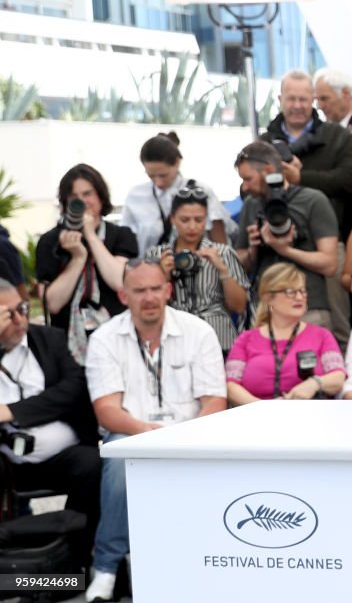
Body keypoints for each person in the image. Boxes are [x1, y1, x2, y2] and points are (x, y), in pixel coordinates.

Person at [84, 259, 226, 601]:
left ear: (168, 290)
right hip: (132, 435)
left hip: (192, 435)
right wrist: (148, 433)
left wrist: (182, 439)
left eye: (155, 289)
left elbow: (215, 401)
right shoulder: (104, 338)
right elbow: (106, 411)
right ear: (123, 294)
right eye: (139, 290)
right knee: (120, 462)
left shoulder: (199, 331)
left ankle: (208, 565)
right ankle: (105, 567)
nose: (149, 297)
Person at [0, 279, 100, 572]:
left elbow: (73, 389)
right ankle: (10, 564)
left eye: (21, 308)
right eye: (8, 315)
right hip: (7, 463)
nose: (20, 320)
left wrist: (11, 411)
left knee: (92, 464)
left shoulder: (50, 339)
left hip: (60, 459)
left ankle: (76, 557)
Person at [261, 69, 352, 348]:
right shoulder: (265, 141)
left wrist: (301, 179)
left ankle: (339, 378)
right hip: (273, 243)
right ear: (280, 99)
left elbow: (350, 179)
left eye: (304, 99)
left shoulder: (336, 135)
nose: (297, 105)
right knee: (274, 316)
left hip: (328, 239)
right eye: (291, 98)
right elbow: (248, 186)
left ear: (313, 100)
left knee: (337, 320)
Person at [35, 164, 137, 365]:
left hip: (116, 336)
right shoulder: (51, 241)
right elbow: (52, 303)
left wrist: (90, 235)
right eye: (74, 196)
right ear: (65, 202)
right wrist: (78, 258)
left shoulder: (120, 236)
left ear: (100, 196)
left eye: (87, 193)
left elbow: (119, 281)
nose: (82, 201)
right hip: (66, 340)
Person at [234, 141, 339, 330]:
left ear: (267, 170)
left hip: (308, 309)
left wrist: (285, 250)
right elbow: (238, 262)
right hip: (264, 310)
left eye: (248, 179)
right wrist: (253, 248)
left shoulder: (313, 200)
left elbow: (330, 264)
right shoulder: (251, 205)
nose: (245, 187)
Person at [144, 181, 249, 354]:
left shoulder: (222, 252)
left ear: (206, 219)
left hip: (218, 340)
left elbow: (239, 306)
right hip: (171, 341)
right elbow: (147, 303)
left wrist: (222, 270)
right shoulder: (156, 255)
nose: (192, 226)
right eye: (184, 220)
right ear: (173, 219)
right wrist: (162, 275)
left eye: (199, 220)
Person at [225, 262, 346, 404]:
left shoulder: (321, 335)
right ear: (268, 298)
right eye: (291, 292)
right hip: (258, 418)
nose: (300, 297)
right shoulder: (246, 339)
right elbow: (231, 385)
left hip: (309, 415)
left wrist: (313, 383)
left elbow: (338, 377)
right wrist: (263, 408)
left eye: (302, 291)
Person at [119, 132, 235, 254]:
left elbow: (220, 242)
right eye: (151, 176)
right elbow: (125, 241)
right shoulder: (135, 196)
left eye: (163, 175)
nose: (158, 182)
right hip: (151, 269)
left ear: (177, 162)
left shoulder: (201, 191)